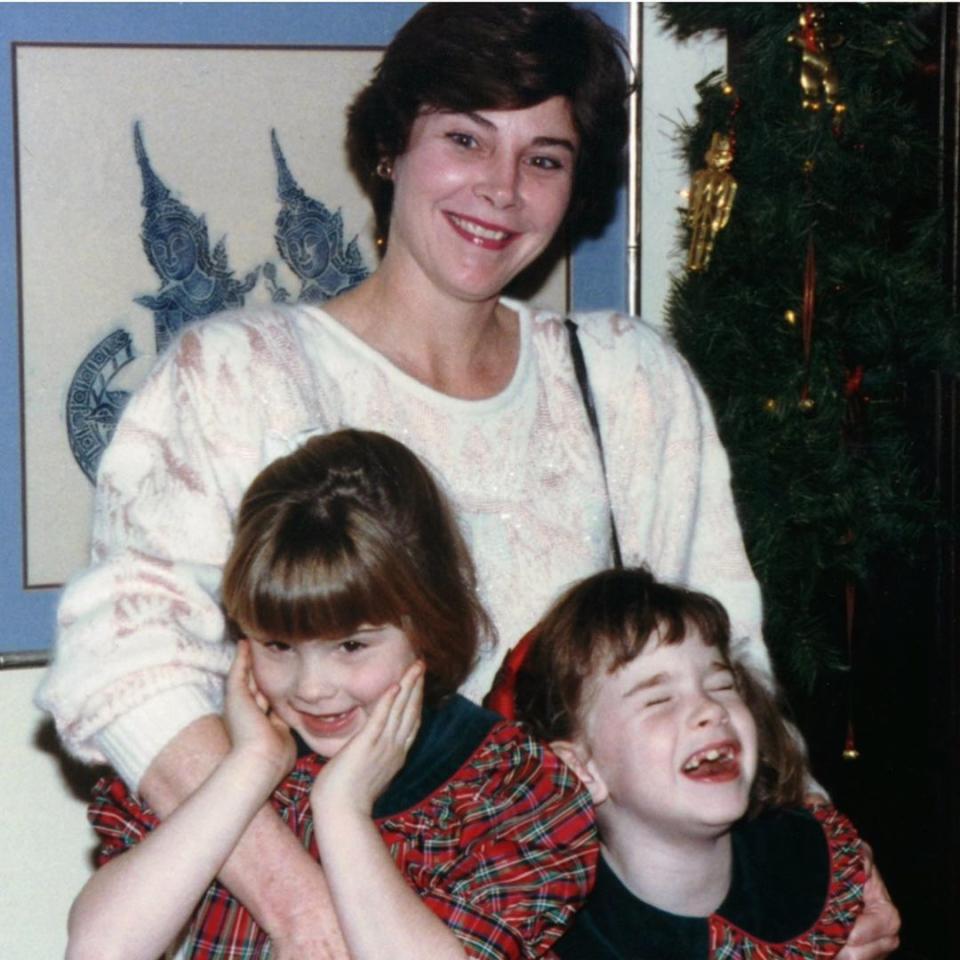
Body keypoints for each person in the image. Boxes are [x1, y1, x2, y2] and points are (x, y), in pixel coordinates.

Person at [37, 4, 897, 957]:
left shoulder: (627, 382)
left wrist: (826, 851)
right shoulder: (234, 375)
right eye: (464, 138)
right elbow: (130, 675)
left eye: (545, 157)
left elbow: (722, 652)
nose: (500, 189)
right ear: (389, 149)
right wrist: (309, 909)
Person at [67, 429, 597, 960]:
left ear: (431, 622)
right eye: (278, 645)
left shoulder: (510, 788)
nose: (311, 688)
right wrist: (248, 766)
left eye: (350, 645)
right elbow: (99, 950)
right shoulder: (219, 758)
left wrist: (342, 811)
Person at [514, 567, 867, 959]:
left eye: (721, 685)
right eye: (659, 699)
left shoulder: (809, 866)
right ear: (580, 770)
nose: (711, 709)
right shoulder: (561, 939)